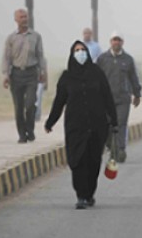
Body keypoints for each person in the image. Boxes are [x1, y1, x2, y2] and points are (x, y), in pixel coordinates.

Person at [45, 40, 118, 209]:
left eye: (83, 50)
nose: (80, 53)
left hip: (97, 125)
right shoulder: (66, 77)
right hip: (75, 126)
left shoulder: (97, 73)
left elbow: (107, 98)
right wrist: (50, 122)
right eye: (77, 50)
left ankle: (89, 193)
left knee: (93, 161)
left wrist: (114, 121)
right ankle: (81, 196)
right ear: (72, 54)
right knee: (77, 160)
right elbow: (59, 102)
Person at [2, 9, 47, 144]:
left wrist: (43, 72)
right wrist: (5, 75)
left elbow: (40, 55)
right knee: (19, 106)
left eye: (26, 17)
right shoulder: (11, 38)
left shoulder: (36, 36)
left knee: (30, 103)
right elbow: (6, 58)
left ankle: (30, 129)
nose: (24, 19)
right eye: (21, 17)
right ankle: (22, 134)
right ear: (16, 19)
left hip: (31, 73)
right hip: (16, 74)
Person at [96, 32, 142, 163]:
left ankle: (120, 150)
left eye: (119, 40)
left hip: (123, 98)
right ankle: (112, 147)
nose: (116, 42)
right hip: (105, 100)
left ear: (122, 42)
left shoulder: (128, 59)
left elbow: (133, 78)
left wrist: (137, 94)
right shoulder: (102, 59)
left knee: (120, 124)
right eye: (114, 40)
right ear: (111, 42)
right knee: (107, 126)